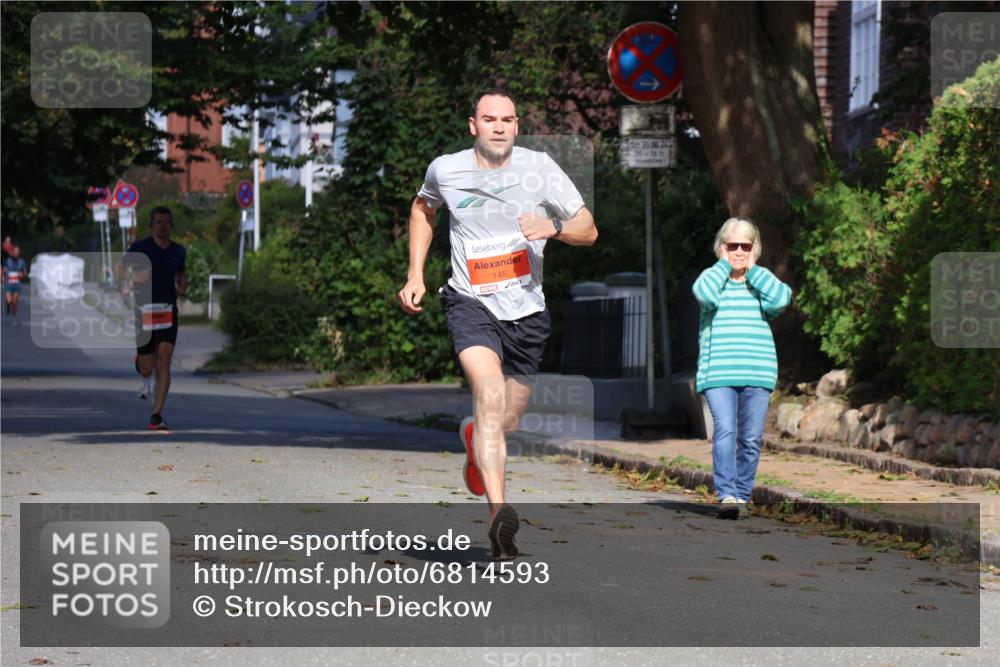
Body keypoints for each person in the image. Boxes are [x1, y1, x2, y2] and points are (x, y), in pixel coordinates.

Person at [398, 88, 597, 559]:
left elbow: (588, 229)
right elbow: (422, 210)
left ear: (516, 124)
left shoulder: (539, 168)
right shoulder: (446, 170)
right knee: (488, 395)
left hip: (528, 312)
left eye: (507, 119)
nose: (500, 127)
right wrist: (415, 274)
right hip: (469, 301)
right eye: (490, 119)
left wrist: (555, 228)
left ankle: (475, 440)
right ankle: (499, 519)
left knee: (503, 420)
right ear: (474, 125)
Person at [692, 218, 792, 519]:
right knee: (725, 430)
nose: (737, 251)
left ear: (754, 249)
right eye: (731, 245)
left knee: (750, 439)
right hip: (718, 374)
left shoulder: (760, 282)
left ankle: (742, 495)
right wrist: (724, 266)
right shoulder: (712, 278)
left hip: (756, 373)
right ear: (721, 248)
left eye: (744, 246)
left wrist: (753, 269)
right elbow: (704, 294)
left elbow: (782, 298)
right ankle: (726, 495)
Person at [124, 206, 187, 430]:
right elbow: (121, 270)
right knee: (147, 368)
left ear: (171, 225)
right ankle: (140, 363)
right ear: (152, 226)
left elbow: (181, 273)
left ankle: (156, 415)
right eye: (159, 222)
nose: (163, 225)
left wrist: (182, 285)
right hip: (145, 310)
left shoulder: (178, 251)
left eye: (166, 222)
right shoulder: (140, 248)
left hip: (168, 310)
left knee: (165, 360)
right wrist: (133, 279)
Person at [3, 245, 28, 322]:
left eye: (17, 252)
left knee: (14, 301)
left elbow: (25, 273)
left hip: (17, 284)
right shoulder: (7, 260)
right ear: (12, 253)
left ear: (19, 253)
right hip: (9, 283)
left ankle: (13, 319)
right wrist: (4, 272)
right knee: (9, 300)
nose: (16, 253)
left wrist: (22, 275)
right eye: (14, 251)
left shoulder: (22, 261)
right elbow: (3, 269)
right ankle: (7, 305)